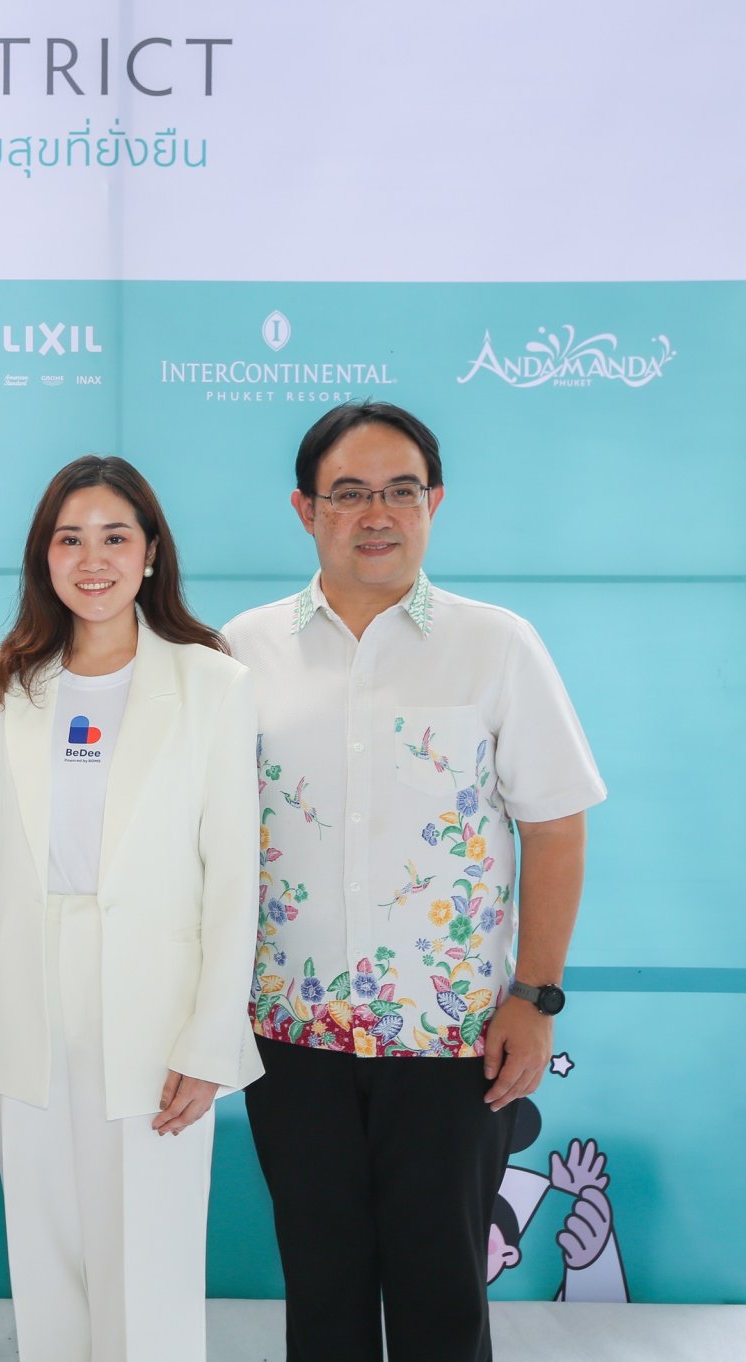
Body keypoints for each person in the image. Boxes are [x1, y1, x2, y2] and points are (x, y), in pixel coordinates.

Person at [227, 401, 605, 1362]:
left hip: (452, 1040)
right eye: (349, 493)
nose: (377, 514)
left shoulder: (496, 645)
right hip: (291, 1035)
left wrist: (535, 997)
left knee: (443, 1298)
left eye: (401, 491)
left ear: (434, 502)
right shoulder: (240, 652)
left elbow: (555, 828)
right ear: (305, 509)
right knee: (322, 1295)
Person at [0, 455, 261, 1362]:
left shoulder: (213, 683)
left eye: (116, 537)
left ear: (151, 553)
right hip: (24, 995)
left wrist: (210, 1041)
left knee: (150, 1258)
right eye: (69, 539)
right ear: (44, 557)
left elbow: (233, 876)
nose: (93, 559)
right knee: (46, 1256)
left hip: (158, 1009)